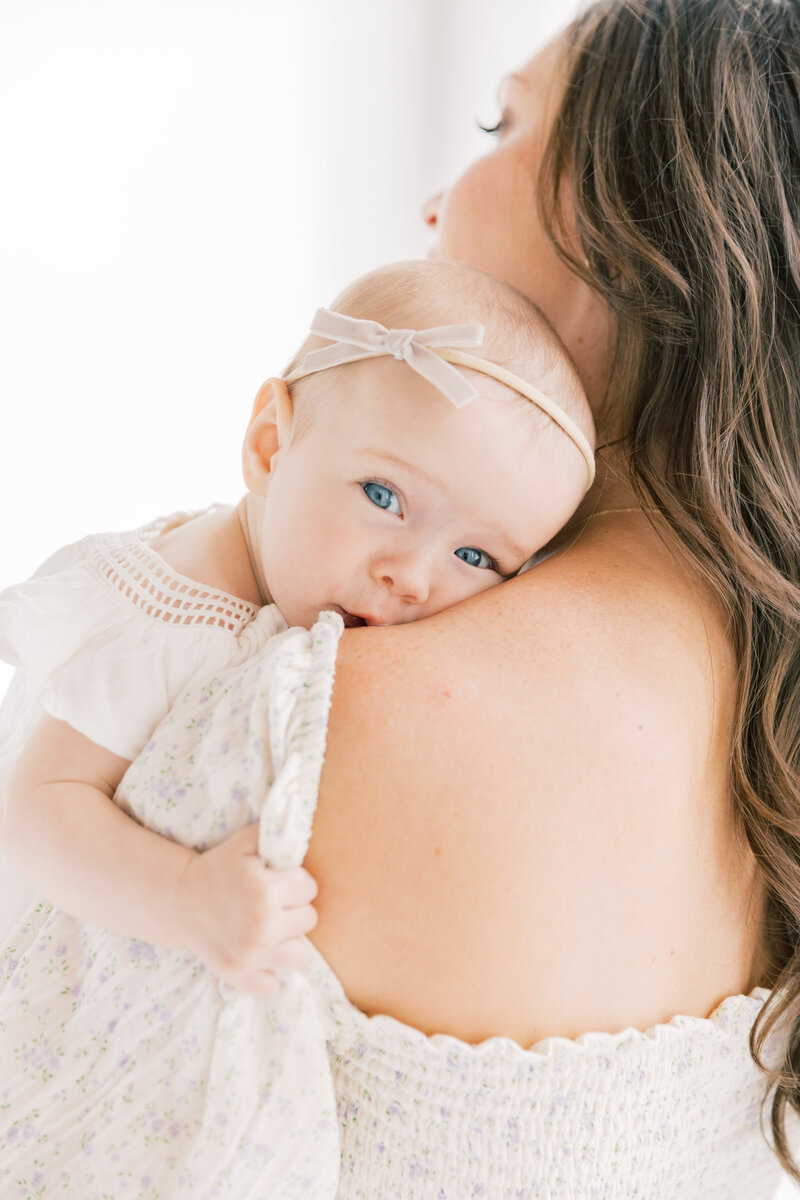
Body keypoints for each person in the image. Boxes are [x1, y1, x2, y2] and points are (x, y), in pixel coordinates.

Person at [116, 0, 795, 1195]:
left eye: (502, 123)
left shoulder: (326, 714)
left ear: (629, 224)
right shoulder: (771, 720)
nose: (433, 204)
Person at [0, 260, 595, 1194]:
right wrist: (188, 896)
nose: (412, 574)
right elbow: (35, 811)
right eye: (385, 497)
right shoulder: (171, 617)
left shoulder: (305, 584)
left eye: (476, 555)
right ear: (271, 444)